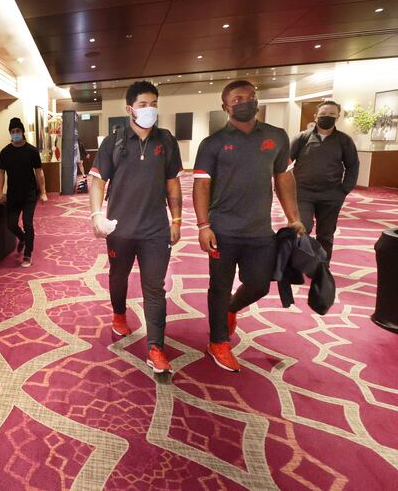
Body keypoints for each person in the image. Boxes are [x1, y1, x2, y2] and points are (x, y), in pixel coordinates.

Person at [193, 80, 305, 373]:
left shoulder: (276, 137)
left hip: (260, 230)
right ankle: (218, 341)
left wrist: (294, 218)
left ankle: (231, 309)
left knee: (258, 283)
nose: (246, 102)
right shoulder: (213, 143)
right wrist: (204, 225)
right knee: (218, 287)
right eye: (238, 98)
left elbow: (283, 178)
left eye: (251, 97)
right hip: (223, 230)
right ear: (225, 106)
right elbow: (201, 186)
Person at [89, 81, 184, 374]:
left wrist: (177, 220)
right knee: (119, 276)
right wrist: (96, 214)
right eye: (143, 105)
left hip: (155, 230)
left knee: (154, 288)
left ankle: (156, 348)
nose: (150, 109)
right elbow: (97, 180)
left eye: (153, 104)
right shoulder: (113, 142)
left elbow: (173, 184)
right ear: (130, 109)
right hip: (120, 229)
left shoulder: (166, 141)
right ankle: (119, 314)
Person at [290, 100, 359, 260]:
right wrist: (285, 186)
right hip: (303, 193)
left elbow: (353, 166)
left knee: (326, 234)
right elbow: (285, 162)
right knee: (302, 228)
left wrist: (344, 189)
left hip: (331, 195)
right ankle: (301, 262)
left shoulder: (344, 140)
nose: (327, 117)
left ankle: (322, 267)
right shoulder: (302, 137)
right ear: (315, 117)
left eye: (331, 115)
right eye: (323, 115)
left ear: (338, 117)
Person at [0, 117, 47, 268]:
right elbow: (1, 173)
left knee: (27, 223)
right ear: (10, 133)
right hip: (13, 194)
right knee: (11, 224)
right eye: (13, 132)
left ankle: (28, 254)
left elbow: (39, 173)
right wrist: (0, 192)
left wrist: (43, 192)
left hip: (29, 194)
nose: (15, 133)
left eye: (18, 131)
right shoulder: (5, 152)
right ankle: (23, 238)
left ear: (22, 132)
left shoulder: (31, 151)